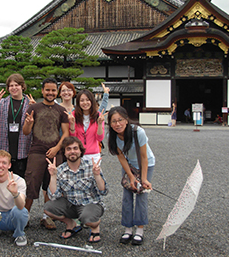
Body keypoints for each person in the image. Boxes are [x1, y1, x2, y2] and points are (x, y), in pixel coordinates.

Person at [23, 77, 69, 230]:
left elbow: (66, 133)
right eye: (47, 90)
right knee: (31, 183)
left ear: (57, 92)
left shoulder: (61, 110)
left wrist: (57, 148)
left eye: (53, 90)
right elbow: (25, 132)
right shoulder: (33, 108)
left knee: (52, 185)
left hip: (56, 152)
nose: (50, 93)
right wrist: (29, 124)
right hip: (36, 151)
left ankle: (47, 216)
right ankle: (24, 215)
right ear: (42, 91)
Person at [44, 137, 108, 243]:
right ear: (64, 153)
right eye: (68, 149)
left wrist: (97, 176)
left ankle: (95, 226)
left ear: (80, 151)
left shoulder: (91, 167)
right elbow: (53, 196)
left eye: (75, 148)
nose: (72, 151)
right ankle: (71, 224)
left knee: (87, 219)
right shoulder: (60, 170)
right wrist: (53, 176)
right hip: (71, 204)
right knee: (48, 208)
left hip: (91, 204)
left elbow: (103, 191)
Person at [107, 106, 155, 246]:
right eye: (114, 121)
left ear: (126, 120)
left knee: (141, 195)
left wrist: (143, 179)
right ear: (110, 123)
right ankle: (128, 229)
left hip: (145, 164)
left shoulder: (138, 132)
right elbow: (121, 157)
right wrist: (131, 176)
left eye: (120, 120)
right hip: (129, 166)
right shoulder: (114, 136)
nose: (117, 124)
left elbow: (144, 156)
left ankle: (139, 230)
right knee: (127, 197)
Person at [0, 73, 34, 178]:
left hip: (23, 148)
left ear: (22, 86)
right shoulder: (1, 103)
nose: (14, 88)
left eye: (16, 85)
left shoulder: (29, 104)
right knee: (3, 180)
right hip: (5, 146)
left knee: (21, 181)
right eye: (11, 85)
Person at [66, 89, 105, 163]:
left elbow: (99, 138)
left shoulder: (98, 115)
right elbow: (72, 137)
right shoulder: (73, 115)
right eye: (82, 100)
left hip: (94, 155)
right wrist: (72, 124)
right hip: (78, 154)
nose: (85, 103)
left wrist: (100, 124)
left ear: (92, 101)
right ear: (78, 102)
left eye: (87, 100)